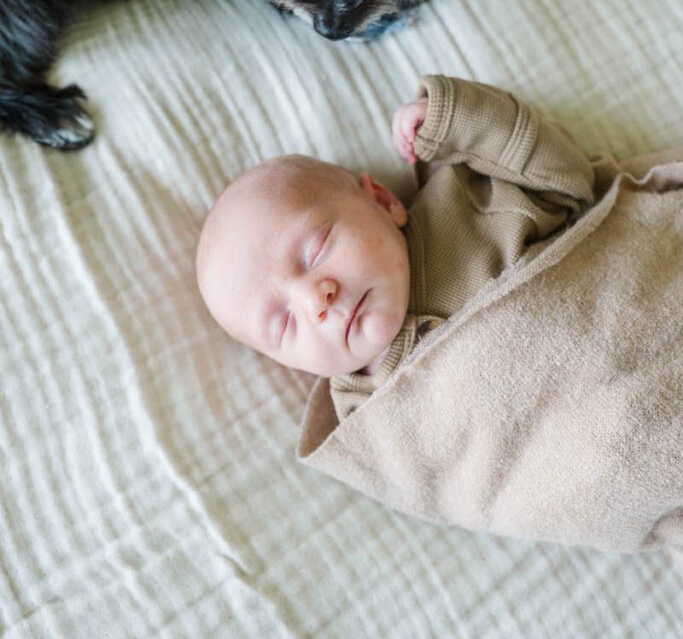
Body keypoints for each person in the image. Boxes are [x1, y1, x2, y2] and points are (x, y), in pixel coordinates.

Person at [196, 75, 683, 553]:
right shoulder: (366, 422)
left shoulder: (461, 206)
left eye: (318, 248)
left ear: (385, 202)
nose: (314, 300)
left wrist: (456, 119)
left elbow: (564, 176)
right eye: (284, 323)